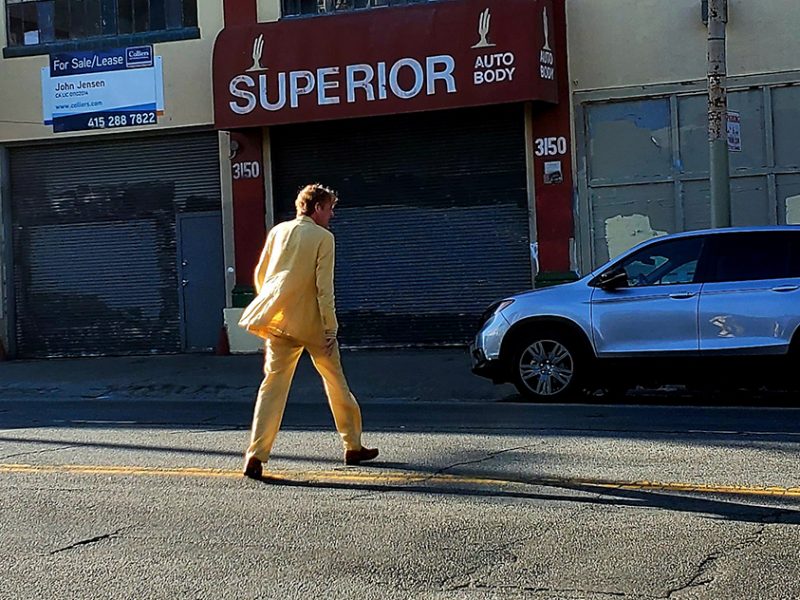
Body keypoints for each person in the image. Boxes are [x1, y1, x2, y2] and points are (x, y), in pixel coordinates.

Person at [239, 183, 378, 479]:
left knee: (272, 387)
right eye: (329, 209)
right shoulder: (323, 238)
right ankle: (352, 445)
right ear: (317, 208)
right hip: (313, 325)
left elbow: (261, 275)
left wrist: (275, 303)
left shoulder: (279, 231)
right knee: (335, 383)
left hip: (278, 320)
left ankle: (256, 455)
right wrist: (330, 328)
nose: (331, 215)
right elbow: (323, 288)